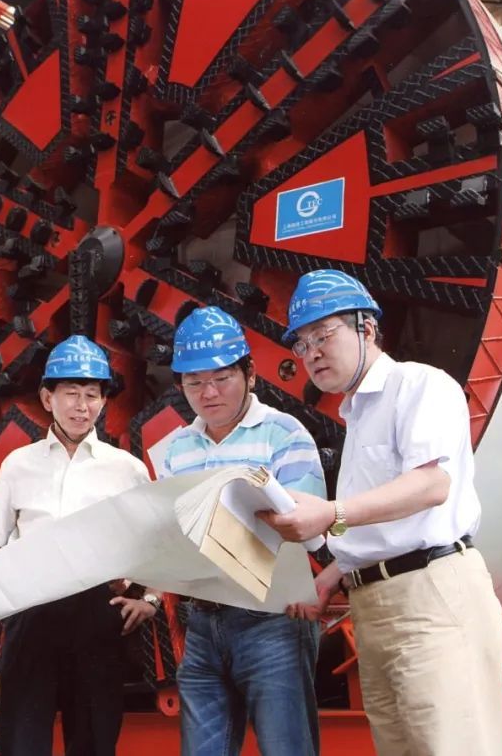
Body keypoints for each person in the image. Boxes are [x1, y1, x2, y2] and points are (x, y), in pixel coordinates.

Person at [258, 270, 502, 756]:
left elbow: (431, 486)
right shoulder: (357, 414)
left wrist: (329, 513)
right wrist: (335, 572)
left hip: (430, 599)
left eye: (323, 335)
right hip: (375, 607)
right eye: (302, 344)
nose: (312, 353)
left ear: (367, 328)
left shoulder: (418, 385)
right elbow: (384, 520)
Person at [0, 334, 154, 756]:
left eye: (91, 395)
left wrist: (149, 598)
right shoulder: (19, 464)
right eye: (71, 393)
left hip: (97, 612)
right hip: (31, 609)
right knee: (23, 735)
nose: (81, 405)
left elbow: (153, 542)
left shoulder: (126, 469)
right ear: (47, 397)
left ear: (103, 401)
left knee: (93, 736)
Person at [157, 306, 327, 756]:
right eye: (194, 382)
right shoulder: (176, 448)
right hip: (202, 623)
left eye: (222, 377)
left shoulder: (284, 435)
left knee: (286, 748)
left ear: (250, 374)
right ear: (180, 386)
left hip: (272, 621)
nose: (209, 392)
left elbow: (311, 531)